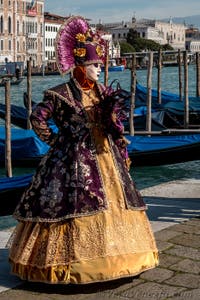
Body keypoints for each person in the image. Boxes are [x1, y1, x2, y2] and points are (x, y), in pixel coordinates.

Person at [8, 16, 158, 284]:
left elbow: (112, 122)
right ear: (81, 66)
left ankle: (118, 258)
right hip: (72, 161)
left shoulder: (101, 92)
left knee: (118, 203)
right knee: (70, 208)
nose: (99, 70)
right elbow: (37, 118)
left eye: (99, 65)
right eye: (95, 65)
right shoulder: (60, 93)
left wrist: (117, 134)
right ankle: (71, 266)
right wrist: (56, 141)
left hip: (106, 157)